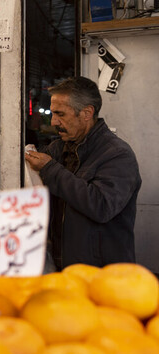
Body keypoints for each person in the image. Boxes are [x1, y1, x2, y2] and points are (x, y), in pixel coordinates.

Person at [25, 76, 141, 270]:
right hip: (62, 269)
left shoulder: (117, 154)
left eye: (60, 114)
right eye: (53, 113)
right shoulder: (58, 147)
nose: (54, 121)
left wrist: (50, 169)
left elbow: (101, 206)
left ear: (87, 113)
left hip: (102, 273)